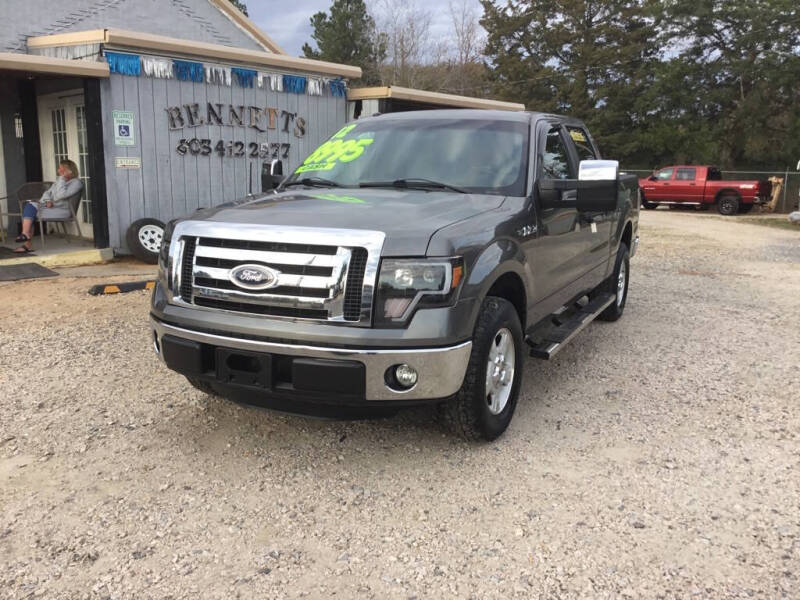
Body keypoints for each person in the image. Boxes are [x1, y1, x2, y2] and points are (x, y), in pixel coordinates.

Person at [14, 160, 83, 253]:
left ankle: (26, 242)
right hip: (52, 208)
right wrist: (47, 200)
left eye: (61, 169)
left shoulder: (76, 183)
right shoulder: (59, 181)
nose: (58, 171)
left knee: (30, 212)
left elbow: (61, 195)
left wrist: (62, 179)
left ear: (69, 170)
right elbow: (47, 193)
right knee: (30, 208)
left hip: (63, 211)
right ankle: (25, 235)